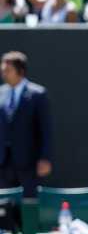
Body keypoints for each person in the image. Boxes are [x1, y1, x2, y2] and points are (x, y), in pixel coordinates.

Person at [0, 51, 53, 197]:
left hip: (28, 163)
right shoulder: (1, 93)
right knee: (5, 208)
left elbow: (45, 129)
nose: (4, 74)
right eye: (3, 71)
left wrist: (45, 158)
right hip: (4, 163)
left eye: (8, 71)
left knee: (27, 204)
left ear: (20, 71)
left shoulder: (38, 94)